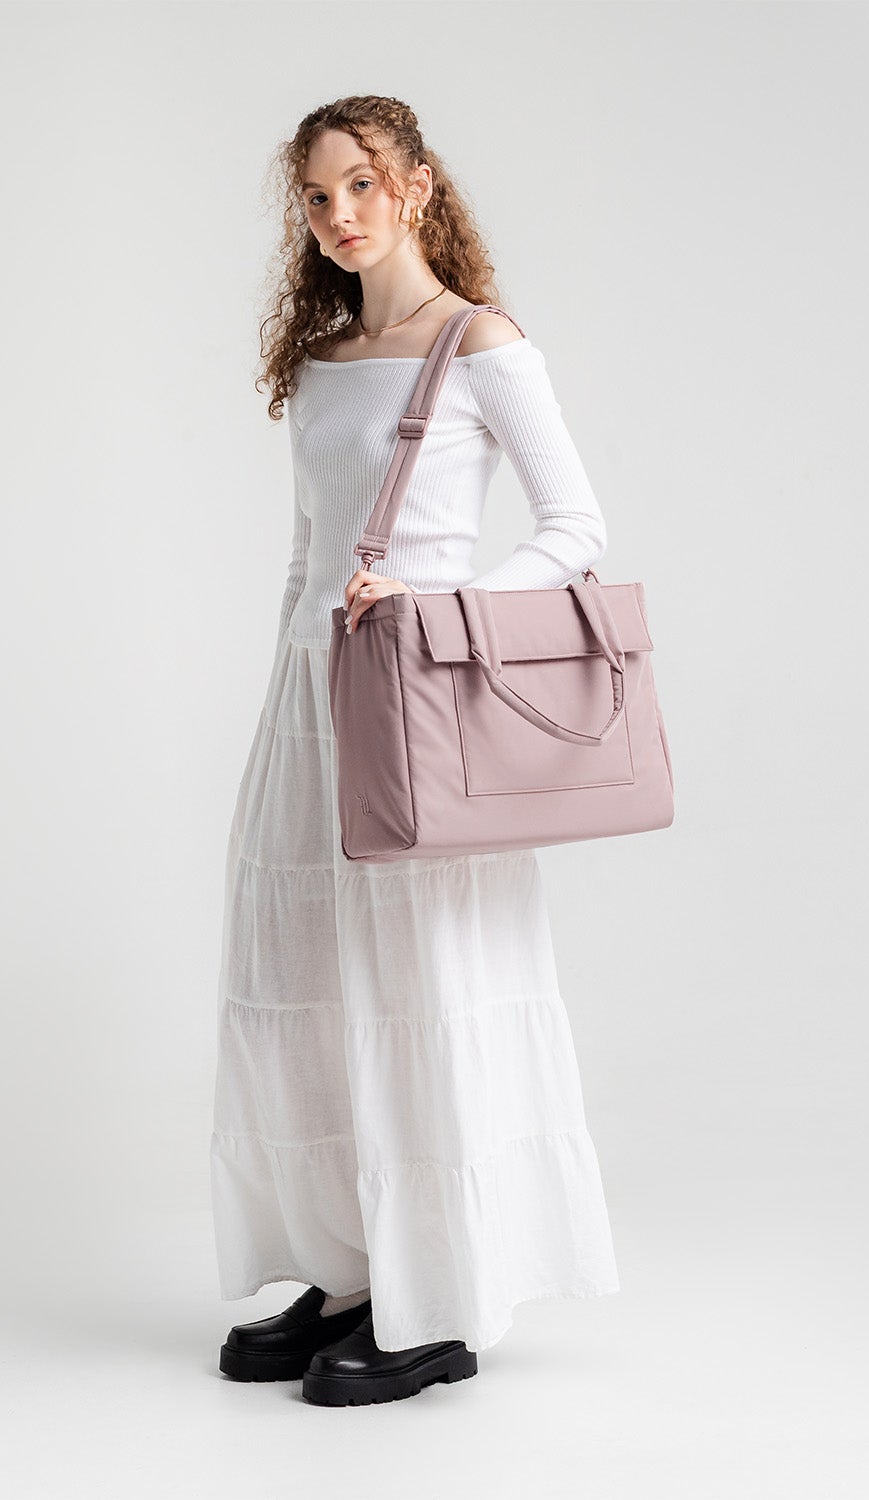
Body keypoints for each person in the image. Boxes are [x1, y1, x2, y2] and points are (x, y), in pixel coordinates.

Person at [210, 95, 619, 1408]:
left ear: (420, 186)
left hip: (418, 700)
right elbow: (305, 555)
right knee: (308, 985)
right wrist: (283, 703)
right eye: (317, 196)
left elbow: (576, 529)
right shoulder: (324, 359)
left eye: (363, 185)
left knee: (418, 989)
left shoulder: (480, 343)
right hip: (311, 700)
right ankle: (349, 1270)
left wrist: (449, 613)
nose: (339, 216)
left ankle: (438, 1300)